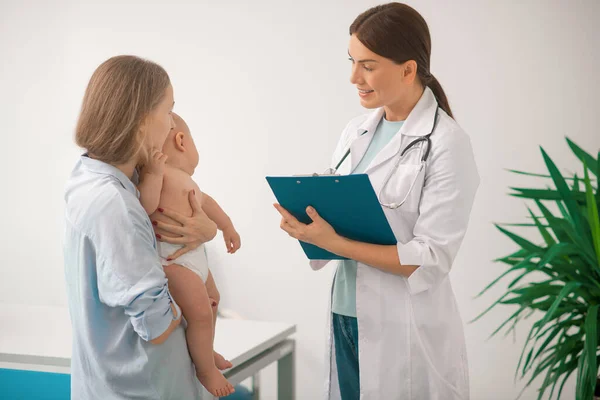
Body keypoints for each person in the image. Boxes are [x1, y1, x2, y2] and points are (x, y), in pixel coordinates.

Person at [274, 3, 480, 399]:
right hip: (345, 313)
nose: (354, 77)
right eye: (352, 62)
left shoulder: (446, 144)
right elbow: (341, 216)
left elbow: (430, 258)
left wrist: (336, 242)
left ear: (408, 69)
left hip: (402, 325)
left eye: (368, 65)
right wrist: (307, 224)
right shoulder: (356, 132)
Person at [64, 55, 218, 399]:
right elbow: (156, 324)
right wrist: (196, 310)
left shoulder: (99, 176)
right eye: (168, 112)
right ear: (142, 122)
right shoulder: (115, 203)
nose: (172, 124)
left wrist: (206, 231)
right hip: (143, 385)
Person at [138, 112, 241, 397]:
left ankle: (205, 352)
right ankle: (205, 369)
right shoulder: (156, 173)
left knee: (213, 301)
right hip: (173, 262)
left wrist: (227, 227)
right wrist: (154, 175)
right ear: (181, 141)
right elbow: (145, 206)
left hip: (194, 257)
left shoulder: (185, 179)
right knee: (199, 315)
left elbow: (207, 203)